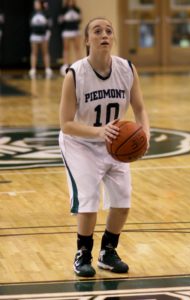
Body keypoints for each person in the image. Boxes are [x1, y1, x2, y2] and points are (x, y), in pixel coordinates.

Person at [59, 17, 150, 277]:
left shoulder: (127, 69)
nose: (104, 35)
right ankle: (83, 254)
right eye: (97, 31)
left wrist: (145, 133)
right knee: (89, 201)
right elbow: (65, 124)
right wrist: (99, 132)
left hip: (114, 144)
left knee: (122, 203)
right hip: (81, 144)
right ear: (87, 40)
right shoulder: (75, 74)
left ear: (113, 38)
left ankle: (108, 252)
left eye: (109, 31)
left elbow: (140, 108)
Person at [29, 0, 53, 79]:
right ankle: (33, 69)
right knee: (34, 53)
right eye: (34, 4)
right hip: (35, 36)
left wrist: (47, 33)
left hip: (43, 36)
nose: (35, 5)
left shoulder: (46, 13)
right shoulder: (32, 13)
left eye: (37, 3)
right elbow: (30, 24)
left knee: (45, 52)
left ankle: (47, 69)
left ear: (40, 4)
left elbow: (49, 24)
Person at [58, 0, 82, 76]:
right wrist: (63, 18)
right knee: (66, 48)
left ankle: (79, 66)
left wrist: (79, 18)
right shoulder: (63, 10)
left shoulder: (77, 9)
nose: (71, 2)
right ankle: (65, 65)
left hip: (75, 31)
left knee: (77, 48)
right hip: (66, 31)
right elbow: (60, 21)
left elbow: (80, 20)